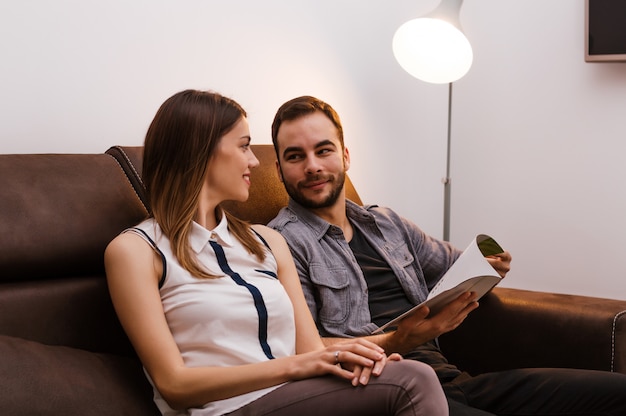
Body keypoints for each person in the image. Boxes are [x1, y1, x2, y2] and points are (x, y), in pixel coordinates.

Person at [267, 95, 626, 416]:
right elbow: (302, 350)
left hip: (452, 379)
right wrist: (396, 342)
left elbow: (459, 265)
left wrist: (489, 263)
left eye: (323, 150)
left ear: (345, 155)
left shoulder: (386, 223)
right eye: (295, 157)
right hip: (385, 392)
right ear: (280, 171)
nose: (312, 166)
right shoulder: (281, 244)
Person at [104, 89, 449, 416]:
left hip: (297, 396)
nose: (254, 161)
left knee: (403, 374)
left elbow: (311, 350)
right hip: (225, 408)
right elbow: (173, 384)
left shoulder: (267, 241)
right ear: (201, 152)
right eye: (243, 147)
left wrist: (358, 356)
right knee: (413, 383)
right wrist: (296, 366)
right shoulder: (135, 251)